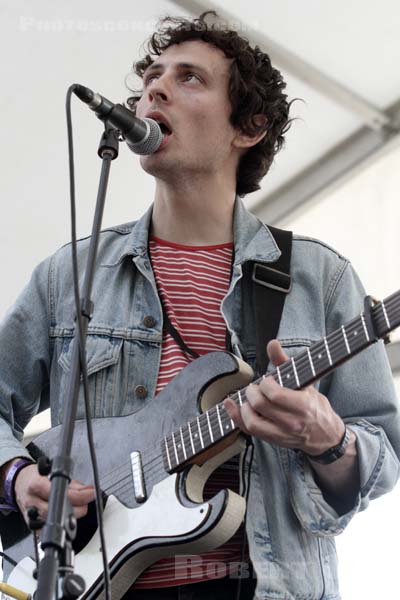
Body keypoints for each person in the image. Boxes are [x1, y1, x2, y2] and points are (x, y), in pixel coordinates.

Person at [1, 11, 400, 600]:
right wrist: (18, 477)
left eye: (189, 78)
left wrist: (328, 437)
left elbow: (382, 457)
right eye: (152, 76)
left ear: (250, 126)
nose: (153, 88)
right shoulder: (72, 274)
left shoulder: (320, 277)